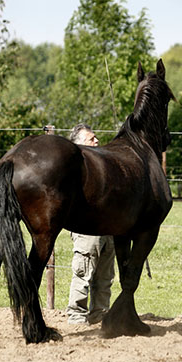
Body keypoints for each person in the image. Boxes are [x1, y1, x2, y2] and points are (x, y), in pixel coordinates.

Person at [67, 123, 115, 325]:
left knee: (105, 276)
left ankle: (100, 315)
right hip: (87, 229)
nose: (97, 141)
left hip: (109, 227)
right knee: (83, 272)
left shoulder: (105, 164)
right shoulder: (76, 168)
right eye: (91, 139)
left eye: (96, 137)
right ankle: (77, 316)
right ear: (80, 145)